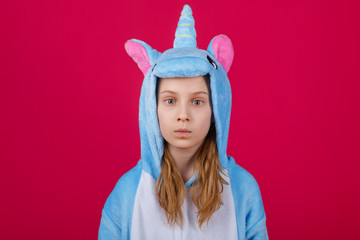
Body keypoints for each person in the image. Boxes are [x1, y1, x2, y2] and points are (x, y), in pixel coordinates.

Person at [98, 4, 268, 240]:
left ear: (215, 109)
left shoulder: (243, 190)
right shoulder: (127, 193)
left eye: (197, 102)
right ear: (152, 107)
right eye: (170, 100)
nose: (183, 115)